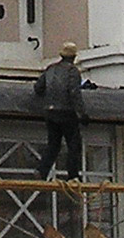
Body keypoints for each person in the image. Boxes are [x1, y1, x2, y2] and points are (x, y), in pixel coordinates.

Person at [34, 43, 86, 180]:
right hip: (66, 112)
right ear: (74, 57)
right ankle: (73, 175)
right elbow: (74, 93)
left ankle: (41, 171)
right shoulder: (72, 71)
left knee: (53, 144)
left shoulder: (50, 69)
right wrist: (82, 114)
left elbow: (38, 88)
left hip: (50, 112)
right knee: (74, 145)